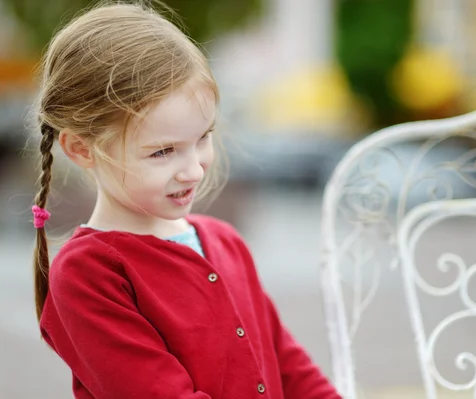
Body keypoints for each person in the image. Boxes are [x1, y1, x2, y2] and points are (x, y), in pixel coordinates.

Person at [30, 2, 342, 398]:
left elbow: (289, 365)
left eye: (203, 138)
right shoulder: (89, 275)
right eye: (163, 151)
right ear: (82, 149)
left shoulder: (224, 241)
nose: (193, 169)